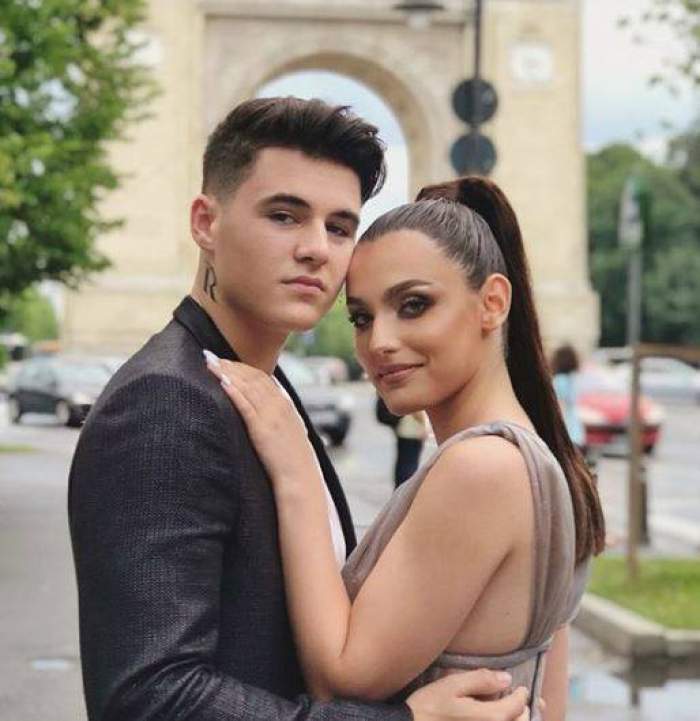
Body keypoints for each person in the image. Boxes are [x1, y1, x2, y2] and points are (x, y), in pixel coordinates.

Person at [68, 98, 531, 721]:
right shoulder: (165, 403)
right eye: (284, 216)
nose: (316, 249)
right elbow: (149, 698)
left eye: (339, 228)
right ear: (206, 223)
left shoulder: (270, 387)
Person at [207, 177, 606, 721]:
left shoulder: (483, 468)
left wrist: (295, 469)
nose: (380, 342)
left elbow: (341, 678)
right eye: (361, 317)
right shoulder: (532, 455)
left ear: (492, 303)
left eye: (414, 305)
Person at [550, 344, 586, 455]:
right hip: (577, 432)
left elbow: (560, 408)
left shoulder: (559, 381)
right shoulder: (573, 380)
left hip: (566, 432)